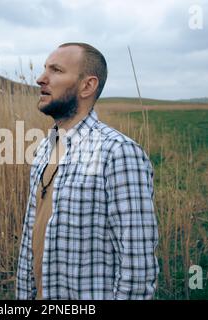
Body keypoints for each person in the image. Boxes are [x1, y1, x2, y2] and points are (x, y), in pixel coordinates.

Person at [16, 43, 159, 300]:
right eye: (44, 69)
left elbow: (137, 265)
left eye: (56, 70)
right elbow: (32, 239)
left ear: (87, 86)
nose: (40, 78)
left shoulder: (118, 153)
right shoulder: (43, 151)